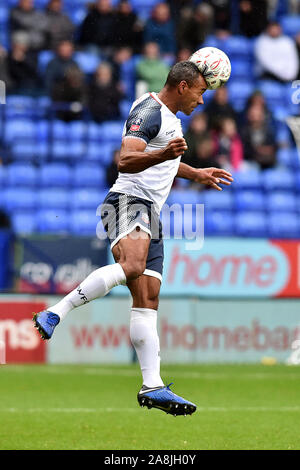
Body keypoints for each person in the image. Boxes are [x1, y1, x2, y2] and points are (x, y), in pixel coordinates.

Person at [33, 61, 233, 416]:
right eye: (201, 92)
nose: (203, 101)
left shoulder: (171, 120)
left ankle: (152, 385)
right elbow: (125, 159)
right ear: (183, 86)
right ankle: (55, 312)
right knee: (133, 265)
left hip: (151, 211)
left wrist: (195, 173)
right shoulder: (149, 109)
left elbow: (164, 162)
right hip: (126, 201)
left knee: (148, 297)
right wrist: (163, 154)